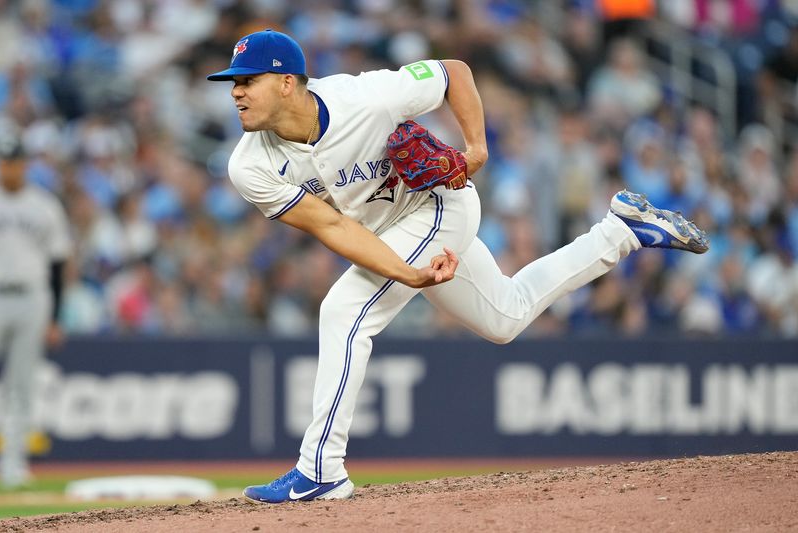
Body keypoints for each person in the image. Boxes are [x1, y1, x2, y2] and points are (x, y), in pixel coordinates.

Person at [206, 29, 708, 504]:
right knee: (504, 318)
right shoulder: (249, 166)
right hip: (390, 232)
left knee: (344, 310)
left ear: (287, 82)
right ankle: (622, 231)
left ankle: (321, 470)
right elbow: (335, 229)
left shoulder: (368, 98)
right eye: (234, 82)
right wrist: (409, 274)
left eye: (248, 80)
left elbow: (454, 72)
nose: (236, 92)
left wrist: (476, 147)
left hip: (439, 205)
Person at [0, 125, 71, 488]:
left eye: (15, 161)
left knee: (22, 384)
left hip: (32, 297)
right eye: (5, 161)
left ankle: (13, 464)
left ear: (25, 165)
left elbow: (58, 264)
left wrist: (56, 316)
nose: (10, 168)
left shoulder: (43, 205)